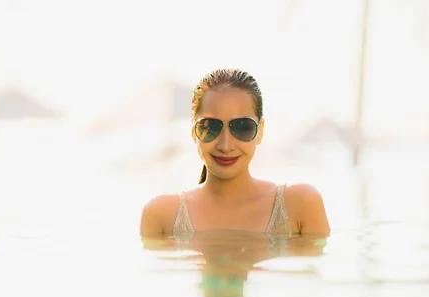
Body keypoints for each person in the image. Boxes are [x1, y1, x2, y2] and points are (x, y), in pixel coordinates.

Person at [140, 68, 330, 242]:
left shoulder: (301, 205)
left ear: (260, 131)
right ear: (194, 133)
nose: (226, 145)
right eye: (210, 127)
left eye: (242, 127)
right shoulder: (161, 215)